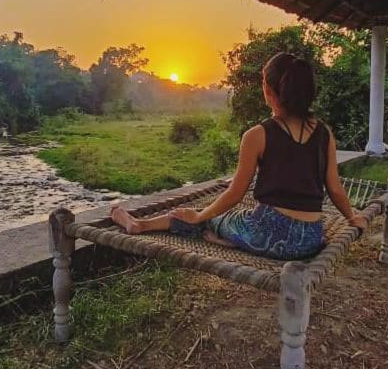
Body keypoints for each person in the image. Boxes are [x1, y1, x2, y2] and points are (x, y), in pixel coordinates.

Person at [110, 52, 368, 261]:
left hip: (266, 233)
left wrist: (201, 217)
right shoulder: (325, 133)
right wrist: (351, 218)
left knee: (207, 216)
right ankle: (226, 237)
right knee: (217, 217)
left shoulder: (258, 134)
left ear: (268, 90)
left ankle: (140, 226)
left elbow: (235, 194)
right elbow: (334, 188)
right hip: (309, 239)